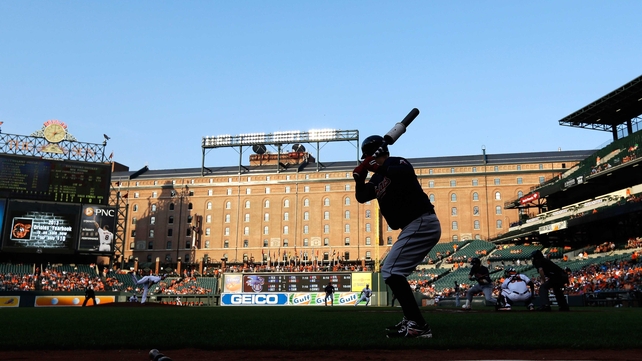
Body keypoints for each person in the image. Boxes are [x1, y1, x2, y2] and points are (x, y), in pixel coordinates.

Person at [353, 135, 441, 338]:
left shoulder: (396, 162)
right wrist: (359, 179)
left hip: (421, 221)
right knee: (395, 272)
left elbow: (402, 172)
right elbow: (362, 196)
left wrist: (375, 167)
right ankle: (411, 321)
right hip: (413, 225)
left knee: (391, 271)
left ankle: (419, 325)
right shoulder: (377, 177)